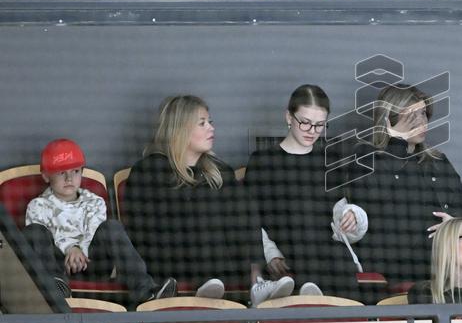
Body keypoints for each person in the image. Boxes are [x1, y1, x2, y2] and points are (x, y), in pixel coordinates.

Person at [125, 95, 293, 306]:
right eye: (202, 123)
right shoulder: (150, 170)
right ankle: (208, 283)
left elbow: (244, 219)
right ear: (181, 129)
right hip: (168, 262)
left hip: (222, 261)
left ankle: (256, 282)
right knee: (203, 204)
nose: (211, 128)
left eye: (210, 122)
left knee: (243, 200)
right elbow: (142, 231)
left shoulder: (219, 171)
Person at [346, 83, 462, 287]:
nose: (421, 121)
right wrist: (396, 140)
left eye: (423, 114)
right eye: (412, 115)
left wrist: (453, 226)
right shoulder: (367, 159)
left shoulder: (438, 162)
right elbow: (378, 217)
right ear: (390, 118)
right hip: (400, 256)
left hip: (446, 251)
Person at [244, 84, 368, 298]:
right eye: (306, 123)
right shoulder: (262, 161)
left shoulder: (331, 162)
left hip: (327, 253)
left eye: (320, 125)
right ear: (289, 117)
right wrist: (270, 253)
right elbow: (251, 218)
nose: (312, 131)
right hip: (286, 252)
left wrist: (352, 216)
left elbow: (339, 215)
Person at [23, 139, 176, 307]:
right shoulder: (37, 206)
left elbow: (94, 228)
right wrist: (70, 248)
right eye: (61, 173)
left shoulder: (95, 201)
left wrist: (80, 249)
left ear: (82, 172)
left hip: (93, 263)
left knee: (111, 226)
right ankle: (55, 289)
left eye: (75, 171)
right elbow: (44, 238)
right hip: (58, 266)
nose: (69, 178)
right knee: (34, 231)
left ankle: (147, 292)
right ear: (46, 175)